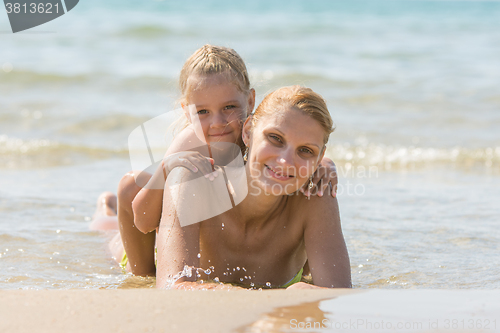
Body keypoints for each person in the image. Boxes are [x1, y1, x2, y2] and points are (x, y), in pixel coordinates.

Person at [91, 45, 338, 278]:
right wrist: (166, 170)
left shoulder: (258, 131)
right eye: (202, 112)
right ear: (186, 111)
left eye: (229, 107)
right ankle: (115, 223)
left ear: (250, 101)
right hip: (161, 231)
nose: (218, 122)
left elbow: (296, 145)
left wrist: (325, 165)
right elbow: (144, 221)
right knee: (129, 188)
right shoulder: (191, 141)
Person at [155, 85, 351, 290]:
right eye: (275, 138)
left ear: (319, 157)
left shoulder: (315, 194)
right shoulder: (193, 181)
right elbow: (171, 290)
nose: (286, 162)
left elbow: (339, 296)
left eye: (305, 150)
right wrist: (280, 299)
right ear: (248, 132)